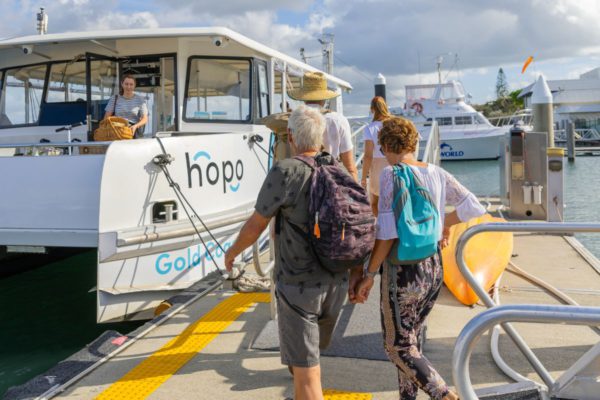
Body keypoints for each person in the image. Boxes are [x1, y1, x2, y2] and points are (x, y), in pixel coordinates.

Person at [352, 117, 486, 400]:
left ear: (386, 145)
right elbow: (472, 205)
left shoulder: (392, 174)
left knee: (397, 347)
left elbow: (387, 232)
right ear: (414, 143)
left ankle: (445, 396)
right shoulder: (436, 173)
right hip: (433, 267)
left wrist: (368, 274)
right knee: (411, 343)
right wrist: (441, 224)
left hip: (404, 271)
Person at [224, 105, 350, 400]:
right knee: (307, 361)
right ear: (320, 137)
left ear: (291, 136)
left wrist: (232, 253)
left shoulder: (285, 171)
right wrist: (359, 274)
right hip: (336, 281)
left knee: (308, 377)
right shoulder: (339, 170)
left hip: (298, 286)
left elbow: (256, 225)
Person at [288, 71, 359, 181]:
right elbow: (350, 168)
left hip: (301, 179)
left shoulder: (294, 118)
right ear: (324, 98)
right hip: (330, 180)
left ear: (303, 96)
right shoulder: (338, 120)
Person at [361, 96, 392, 216]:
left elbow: (368, 156)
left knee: (375, 202)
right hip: (394, 163)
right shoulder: (394, 124)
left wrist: (364, 177)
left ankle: (381, 227)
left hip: (378, 168)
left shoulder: (370, 128)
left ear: (372, 109)